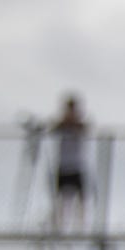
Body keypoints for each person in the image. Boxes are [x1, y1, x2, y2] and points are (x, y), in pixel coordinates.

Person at [47, 93, 91, 239]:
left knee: (81, 199)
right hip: (63, 166)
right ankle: (58, 227)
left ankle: (81, 228)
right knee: (60, 199)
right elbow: (53, 128)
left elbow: (84, 127)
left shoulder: (80, 123)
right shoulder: (61, 123)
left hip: (77, 165)